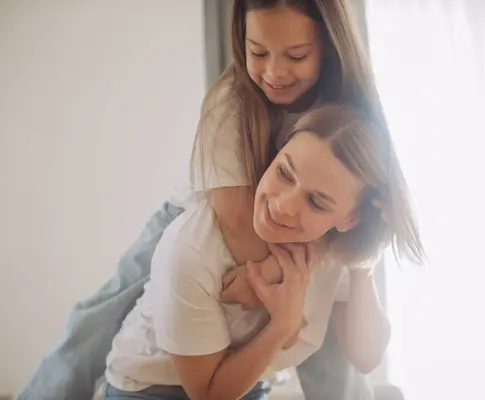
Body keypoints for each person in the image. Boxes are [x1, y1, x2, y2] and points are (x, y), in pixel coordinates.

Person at [16, 1, 420, 399]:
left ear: (330, 47)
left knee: (331, 340)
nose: (274, 72)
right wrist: (269, 291)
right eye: (257, 52)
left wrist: (326, 275)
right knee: (99, 317)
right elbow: (238, 226)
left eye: (296, 55)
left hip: (304, 230)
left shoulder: (354, 116)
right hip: (213, 210)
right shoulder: (231, 102)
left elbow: (361, 342)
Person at [103, 104, 422, 400]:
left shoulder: (332, 251)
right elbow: (208, 394)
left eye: (316, 202)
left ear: (348, 220)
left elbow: (366, 356)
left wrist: (364, 262)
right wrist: (283, 324)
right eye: (284, 173)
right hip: (147, 390)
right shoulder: (192, 249)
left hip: (247, 387)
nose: (283, 206)